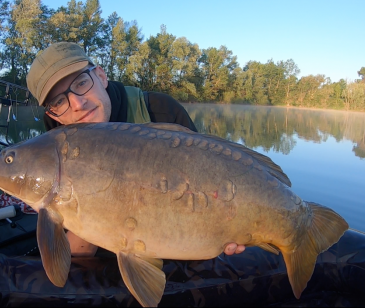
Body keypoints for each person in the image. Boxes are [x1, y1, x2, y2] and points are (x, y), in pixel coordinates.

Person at [26, 42, 245, 257]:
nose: (77, 104)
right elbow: (73, 249)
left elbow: (208, 179)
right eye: (58, 101)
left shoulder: (160, 112)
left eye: (81, 83)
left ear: (101, 76)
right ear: (52, 115)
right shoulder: (52, 143)